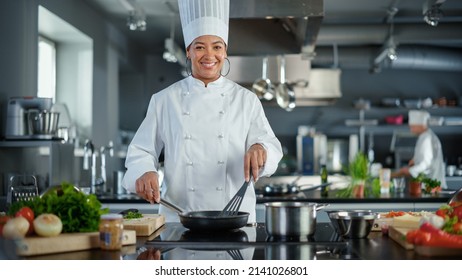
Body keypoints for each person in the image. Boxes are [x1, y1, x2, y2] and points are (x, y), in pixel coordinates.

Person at [122, 0, 283, 224]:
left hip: (235, 220)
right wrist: (145, 171)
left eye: (217, 46)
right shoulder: (164, 100)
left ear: (225, 51)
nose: (209, 55)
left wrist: (260, 149)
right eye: (199, 47)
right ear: (188, 51)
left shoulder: (246, 100)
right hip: (178, 219)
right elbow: (140, 151)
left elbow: (272, 147)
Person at [392, 110, 447, 188]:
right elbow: (426, 157)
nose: (411, 130)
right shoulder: (425, 136)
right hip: (429, 186)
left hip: (431, 186)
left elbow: (425, 163)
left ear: (421, 125)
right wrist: (414, 160)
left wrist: (409, 171)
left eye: (413, 127)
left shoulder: (426, 139)